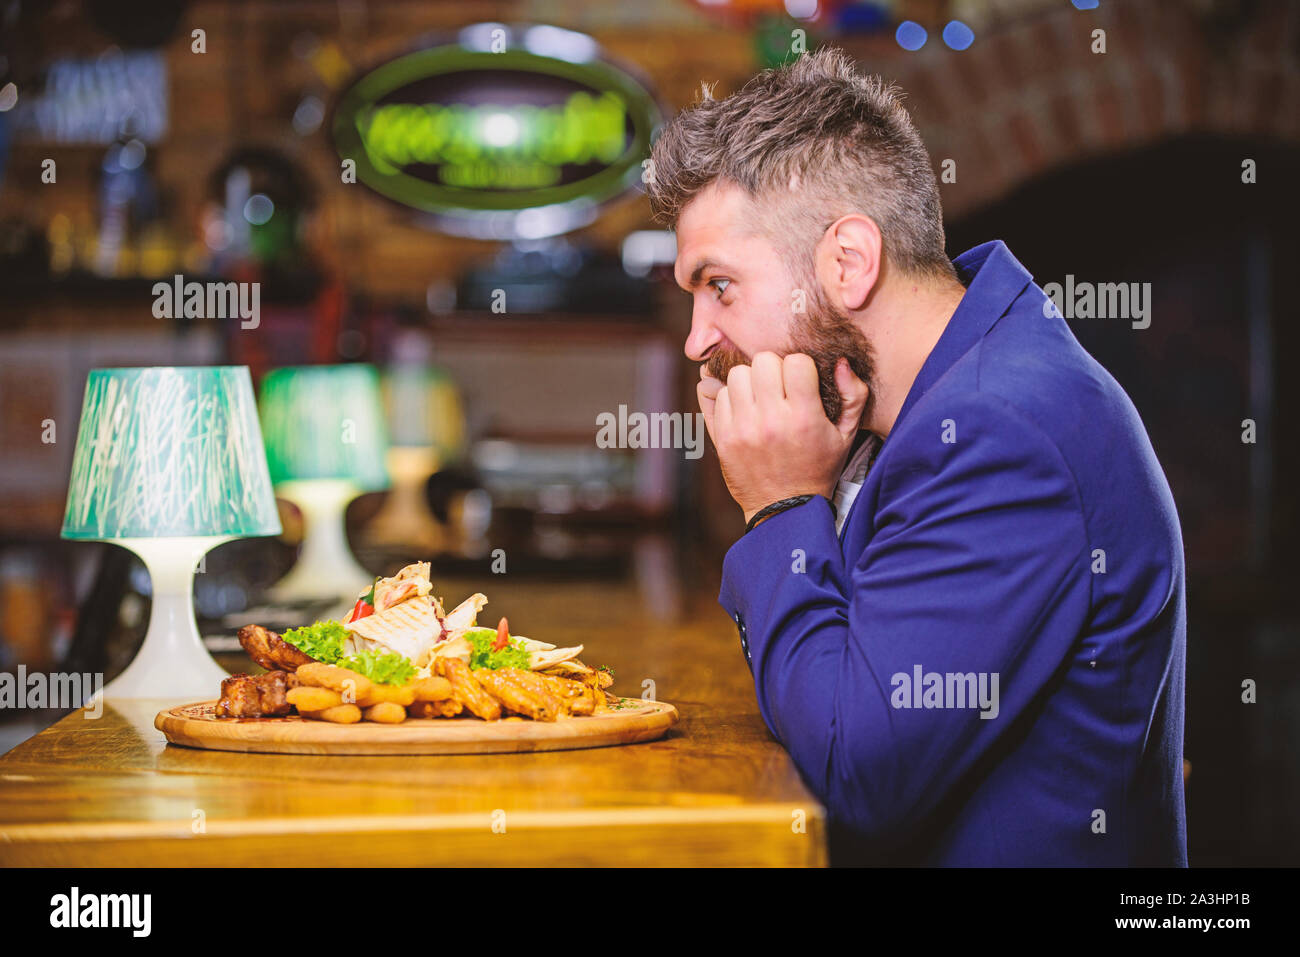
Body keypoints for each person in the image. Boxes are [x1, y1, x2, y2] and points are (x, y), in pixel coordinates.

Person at [648, 48, 1187, 865]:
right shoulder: (937, 397)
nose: (697, 339)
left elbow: (857, 772)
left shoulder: (999, 430)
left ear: (849, 262)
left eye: (717, 285)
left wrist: (780, 505)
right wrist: (816, 490)